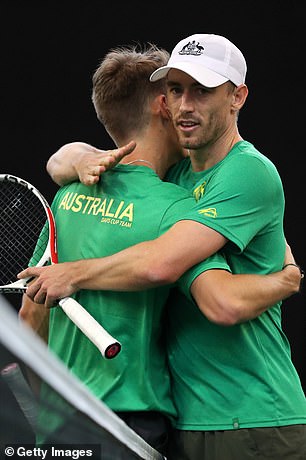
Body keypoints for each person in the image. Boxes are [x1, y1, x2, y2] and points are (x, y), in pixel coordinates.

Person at [20, 34, 306, 459]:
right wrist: (74, 157)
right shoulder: (176, 190)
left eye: (203, 90)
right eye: (175, 90)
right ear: (162, 104)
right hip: (168, 422)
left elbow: (204, 292)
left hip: (252, 415)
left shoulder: (243, 176)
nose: (185, 105)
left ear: (238, 96)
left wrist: (289, 282)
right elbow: (70, 159)